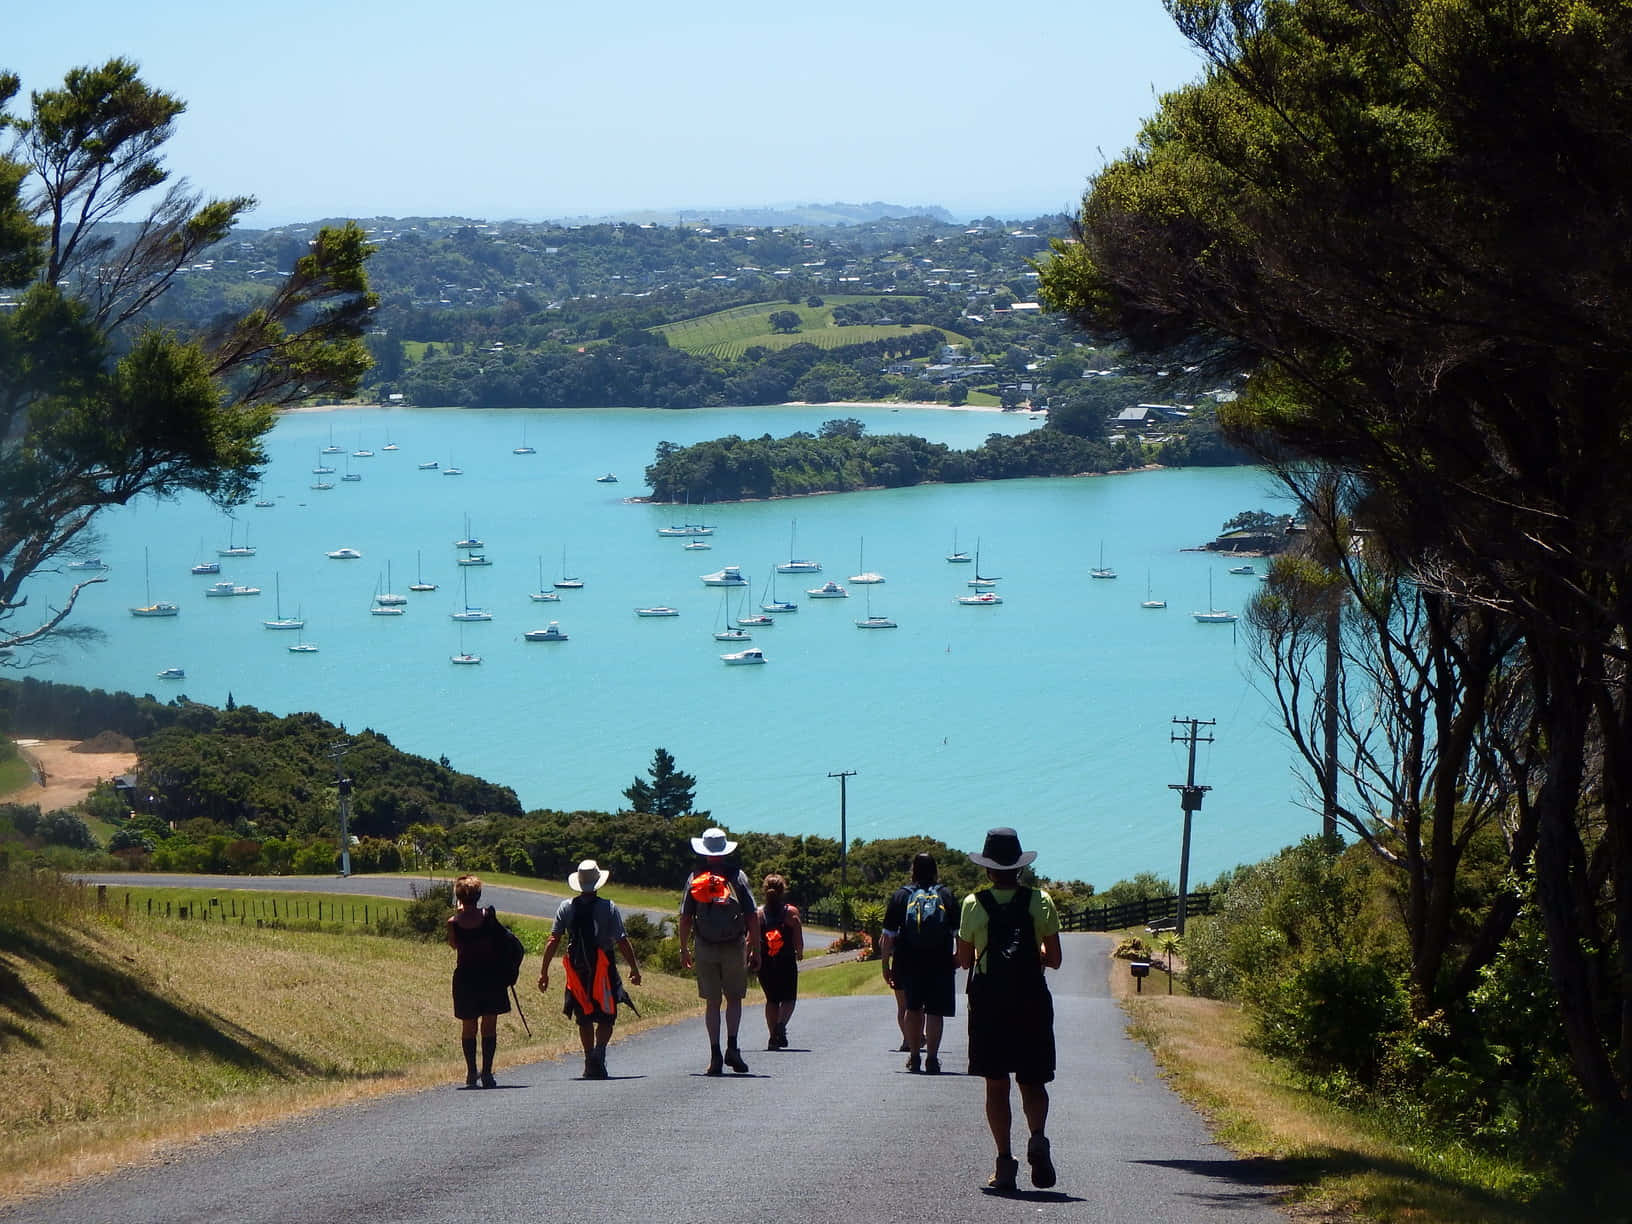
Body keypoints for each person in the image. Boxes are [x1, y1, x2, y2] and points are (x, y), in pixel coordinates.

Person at [955, 828, 1063, 1193]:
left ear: (988, 869)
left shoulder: (973, 904)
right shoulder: (1040, 900)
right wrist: (1034, 956)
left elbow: (964, 958)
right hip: (1031, 997)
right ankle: (1038, 1137)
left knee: (996, 1083)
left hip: (989, 1003)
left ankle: (1004, 1163)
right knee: (1032, 1080)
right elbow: (1056, 959)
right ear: (1019, 868)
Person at [537, 858, 642, 1079]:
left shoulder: (566, 907)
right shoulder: (608, 907)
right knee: (607, 1014)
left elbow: (553, 939)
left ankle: (588, 1060)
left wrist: (544, 971)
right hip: (604, 968)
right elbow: (621, 940)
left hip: (577, 970)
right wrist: (634, 968)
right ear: (597, 883)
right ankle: (599, 1054)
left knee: (583, 1015)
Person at [678, 826, 761, 1075]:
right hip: (734, 944)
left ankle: (714, 1055)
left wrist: (683, 948)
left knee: (712, 1002)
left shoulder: (695, 877)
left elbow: (685, 917)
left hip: (705, 945)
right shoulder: (737, 876)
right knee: (734, 998)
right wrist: (755, 947)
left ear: (704, 850)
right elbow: (752, 915)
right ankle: (732, 1048)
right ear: (725, 850)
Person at [881, 851, 958, 1074]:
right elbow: (958, 933)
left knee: (912, 1008)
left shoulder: (901, 895)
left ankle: (914, 1056)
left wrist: (886, 965)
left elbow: (887, 937)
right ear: (935, 871)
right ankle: (932, 1058)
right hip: (940, 960)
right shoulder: (946, 894)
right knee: (935, 1012)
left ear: (912, 870)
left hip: (908, 961)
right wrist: (958, 957)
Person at [446, 873, 512, 1089]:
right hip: (491, 975)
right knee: (489, 1026)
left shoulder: (453, 922)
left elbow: (454, 945)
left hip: (466, 976)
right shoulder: (488, 916)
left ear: (459, 897)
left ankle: (471, 1072)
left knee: (469, 1026)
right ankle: (487, 1073)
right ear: (478, 895)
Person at [756, 873, 804, 1050]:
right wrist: (799, 951)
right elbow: (798, 937)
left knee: (772, 1000)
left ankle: (772, 1037)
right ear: (783, 890)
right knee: (789, 998)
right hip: (786, 960)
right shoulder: (791, 912)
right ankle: (781, 1025)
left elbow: (750, 938)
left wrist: (751, 956)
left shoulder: (759, 913)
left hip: (766, 962)